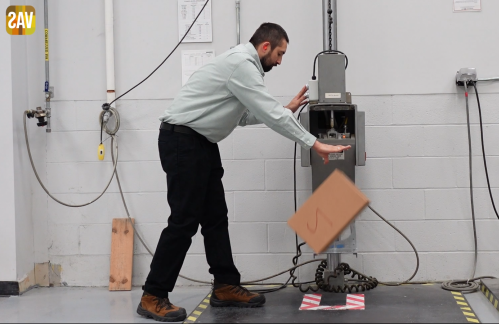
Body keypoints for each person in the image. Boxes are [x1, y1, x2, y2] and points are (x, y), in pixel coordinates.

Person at [136, 22, 350, 322]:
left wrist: (285, 110)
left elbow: (246, 116)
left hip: (200, 143)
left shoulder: (242, 68)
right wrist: (313, 143)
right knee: (184, 221)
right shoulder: (241, 64)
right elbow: (268, 113)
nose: (280, 60)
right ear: (265, 46)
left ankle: (225, 285)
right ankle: (152, 295)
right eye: (279, 53)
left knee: (215, 218)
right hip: (182, 141)